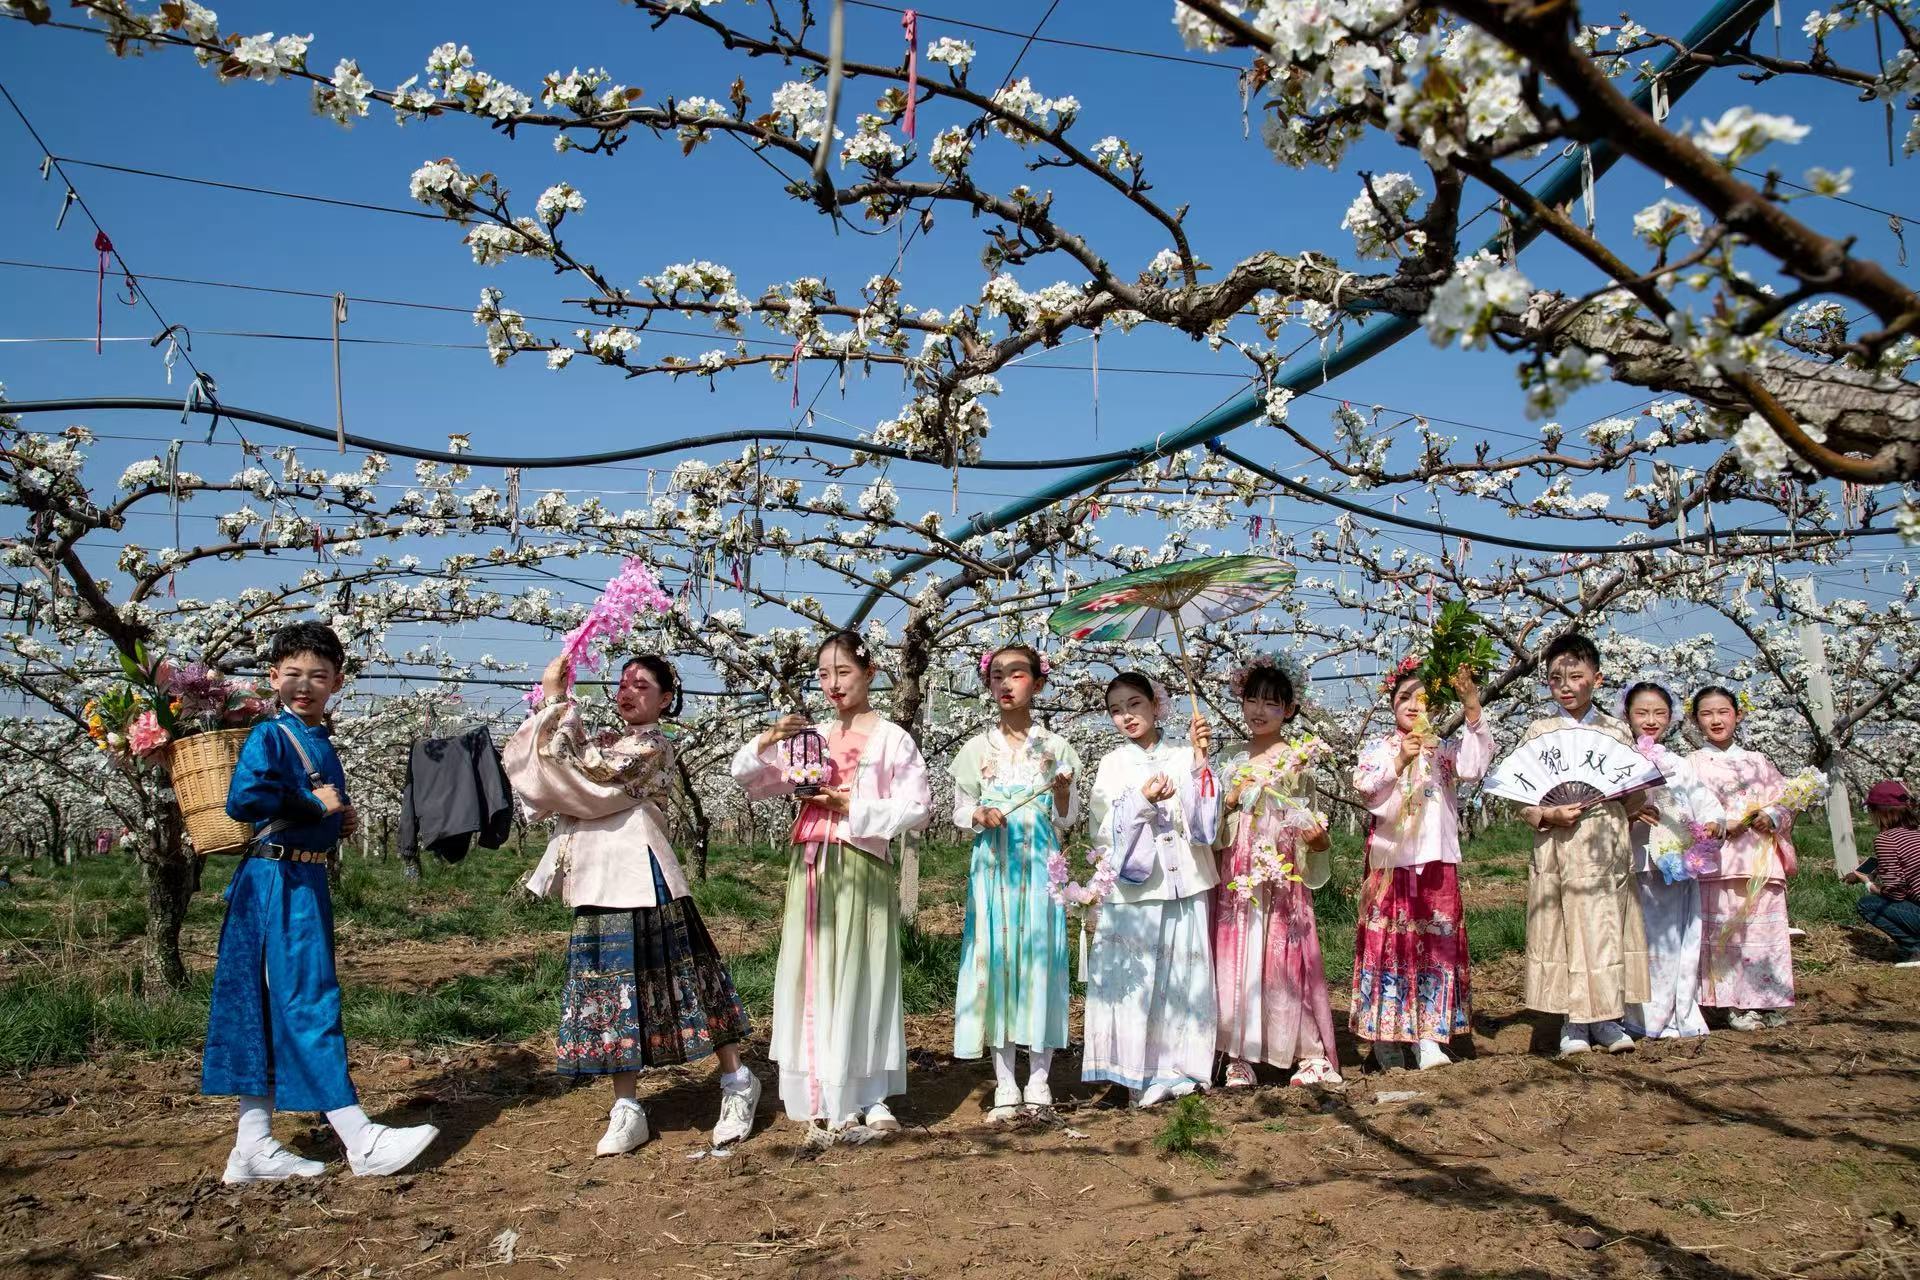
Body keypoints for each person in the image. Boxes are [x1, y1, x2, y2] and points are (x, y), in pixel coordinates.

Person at [204, 621, 439, 1183]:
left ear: (336, 682)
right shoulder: (271, 735)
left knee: (265, 1006)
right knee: (307, 1000)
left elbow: (314, 805)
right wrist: (312, 804)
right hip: (275, 883)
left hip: (302, 881)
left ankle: (253, 1145)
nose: (304, 686)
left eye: (318, 676)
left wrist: (337, 818)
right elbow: (245, 799)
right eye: (292, 675)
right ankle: (360, 1138)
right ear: (273, 678)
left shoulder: (320, 740)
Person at [508, 653, 756, 1156]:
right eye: (622, 683)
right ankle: (627, 1107)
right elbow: (549, 773)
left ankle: (737, 1082)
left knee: (687, 978)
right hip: (599, 878)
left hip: (644, 874)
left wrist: (558, 702)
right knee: (609, 990)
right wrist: (555, 705)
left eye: (641, 685)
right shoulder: (604, 741)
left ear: (665, 700)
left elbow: (590, 779)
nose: (627, 692)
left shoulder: (652, 746)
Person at [730, 631, 931, 1140]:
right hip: (811, 864)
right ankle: (819, 1086)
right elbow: (752, 782)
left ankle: (869, 1091)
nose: (833, 684)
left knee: (863, 969)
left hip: (861, 861)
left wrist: (855, 809)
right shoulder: (809, 735)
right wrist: (767, 741)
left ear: (869, 673)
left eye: (843, 672)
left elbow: (919, 808)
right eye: (824, 674)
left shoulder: (891, 738)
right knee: (813, 970)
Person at [950, 644, 1080, 1122]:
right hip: (994, 871)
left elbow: (1068, 819)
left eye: (1017, 674)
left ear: (1038, 683)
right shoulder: (975, 750)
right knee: (998, 963)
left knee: (1040, 964)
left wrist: (1063, 794)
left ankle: (1040, 1078)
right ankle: (1005, 1081)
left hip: (1042, 871)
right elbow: (959, 810)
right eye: (997, 675)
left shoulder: (1057, 749)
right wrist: (979, 814)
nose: (1005, 684)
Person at [1083, 673, 1221, 1107]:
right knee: (1138, 978)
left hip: (1185, 880)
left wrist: (1200, 763)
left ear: (1156, 705)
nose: (1126, 716)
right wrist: (1141, 802)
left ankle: (1180, 1070)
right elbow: (1102, 829)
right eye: (1116, 709)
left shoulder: (1183, 755)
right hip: (1136, 887)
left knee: (1182, 976)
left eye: (1134, 704)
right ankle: (1133, 1072)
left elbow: (1205, 825)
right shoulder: (1111, 764)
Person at [1351, 661, 1491, 1071]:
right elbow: (1365, 788)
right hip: (1392, 864)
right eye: (1403, 698)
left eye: (1422, 698)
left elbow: (1472, 767)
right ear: (1391, 705)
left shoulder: (1442, 750)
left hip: (1435, 862)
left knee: (1435, 947)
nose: (1413, 705)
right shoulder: (1380, 748)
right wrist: (1398, 762)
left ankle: (1429, 1035)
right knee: (1389, 946)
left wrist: (1471, 708)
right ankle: (1386, 1036)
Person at [1518, 632, 1650, 1058]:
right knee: (1563, 929)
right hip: (1557, 846)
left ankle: (1608, 1019)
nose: (1567, 686)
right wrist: (1547, 813)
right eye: (1557, 678)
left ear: (1597, 678)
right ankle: (1573, 1021)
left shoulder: (1615, 731)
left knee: (1607, 927)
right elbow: (1522, 795)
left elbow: (1635, 792)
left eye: (1576, 676)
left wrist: (1626, 796)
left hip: (1605, 844)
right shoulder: (1539, 731)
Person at [1213, 655, 1340, 1087]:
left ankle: (1306, 1051)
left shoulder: (1297, 758)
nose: (1259, 711)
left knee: (1284, 958)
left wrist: (1314, 836)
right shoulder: (1228, 758)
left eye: (1271, 703)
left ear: (1288, 709)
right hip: (1239, 871)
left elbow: (1307, 820)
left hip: (1282, 872)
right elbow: (1211, 824)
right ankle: (1237, 1056)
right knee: (1239, 958)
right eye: (1252, 700)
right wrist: (1230, 800)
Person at [1619, 681, 1725, 1040]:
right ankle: (1638, 1016)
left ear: (1671, 718)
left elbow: (1706, 805)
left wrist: (1713, 824)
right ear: (1627, 716)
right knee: (1638, 943)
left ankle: (1673, 1013)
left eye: (1659, 713)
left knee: (1672, 942)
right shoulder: (1617, 760)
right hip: (1633, 864)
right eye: (1642, 712)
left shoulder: (1679, 764)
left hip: (1676, 867)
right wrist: (1631, 814)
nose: (1650, 720)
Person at [1686, 687, 1796, 1029]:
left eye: (1723, 712)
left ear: (1738, 714)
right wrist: (1715, 825)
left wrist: (1772, 817)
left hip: (1760, 857)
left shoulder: (1760, 761)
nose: (1716, 720)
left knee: (1763, 931)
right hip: (1717, 861)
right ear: (1695, 720)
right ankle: (1728, 1003)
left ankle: (1766, 1000)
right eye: (1707, 714)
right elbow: (1682, 810)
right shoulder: (1691, 763)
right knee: (1724, 933)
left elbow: (1786, 799)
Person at [1848, 780, 1920, 967]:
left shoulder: (1886, 839)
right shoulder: (1916, 833)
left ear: (1879, 811)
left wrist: (1868, 884)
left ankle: (1915, 949)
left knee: (1868, 905)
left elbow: (1895, 892)